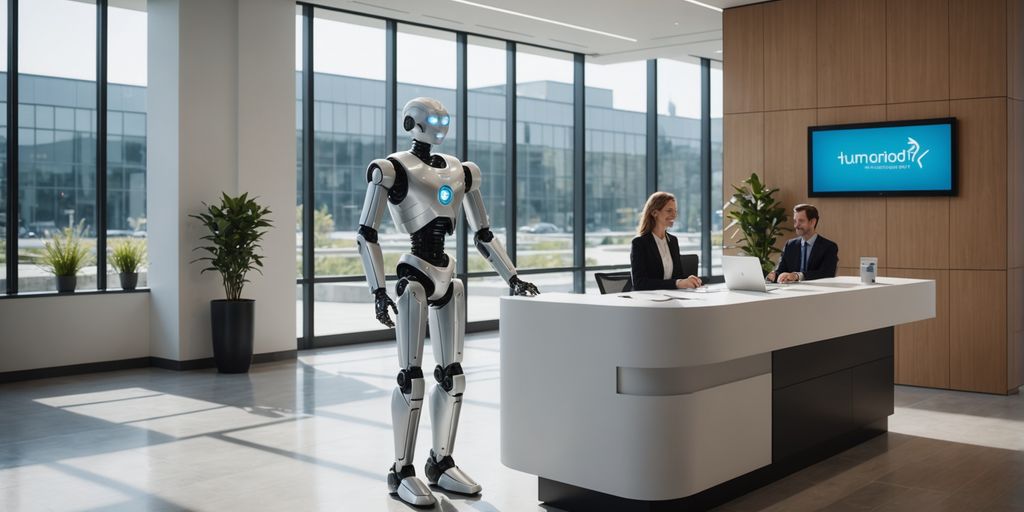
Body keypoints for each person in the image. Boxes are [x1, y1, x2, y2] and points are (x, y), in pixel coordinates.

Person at [356, 98, 539, 507]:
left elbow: (483, 233)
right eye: (432, 120)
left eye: (443, 120)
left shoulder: (461, 171)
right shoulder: (391, 169)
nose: (439, 126)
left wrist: (512, 276)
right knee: (412, 377)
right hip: (414, 276)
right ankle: (401, 471)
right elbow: (366, 232)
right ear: (412, 122)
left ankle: (440, 462)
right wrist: (378, 290)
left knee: (452, 376)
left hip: (447, 276)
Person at [630, 192, 703, 291]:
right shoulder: (639, 243)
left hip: (671, 297)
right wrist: (678, 283)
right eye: (669, 211)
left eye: (675, 211)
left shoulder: (673, 241)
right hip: (648, 299)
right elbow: (640, 283)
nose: (674, 215)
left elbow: (677, 276)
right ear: (654, 213)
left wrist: (688, 280)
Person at [766, 204, 839, 283]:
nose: (796, 225)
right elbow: (781, 270)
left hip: (817, 289)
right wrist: (774, 275)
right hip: (791, 290)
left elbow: (827, 273)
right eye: (795, 221)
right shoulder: (790, 245)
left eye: (801, 221)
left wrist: (798, 276)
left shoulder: (829, 247)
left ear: (812, 222)